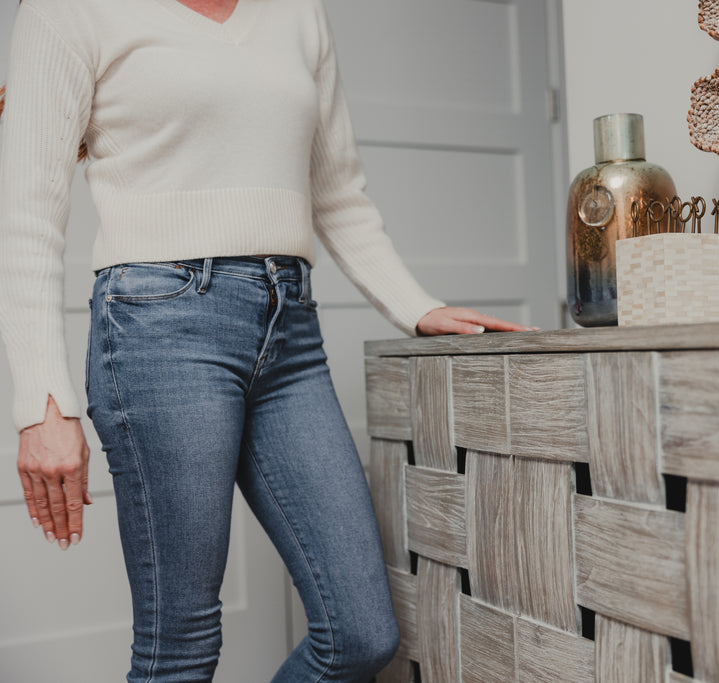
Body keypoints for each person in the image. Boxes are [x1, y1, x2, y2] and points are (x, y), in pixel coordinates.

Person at [0, 0, 534, 680]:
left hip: (291, 329)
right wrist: (44, 401)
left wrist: (416, 305)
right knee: (180, 648)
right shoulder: (70, 9)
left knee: (361, 634)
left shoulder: (297, 12)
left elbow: (336, 191)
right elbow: (27, 216)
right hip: (159, 329)